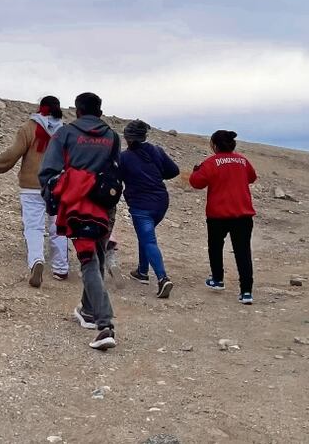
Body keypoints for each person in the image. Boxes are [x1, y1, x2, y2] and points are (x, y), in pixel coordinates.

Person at [39, 92, 121, 351]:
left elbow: (48, 171)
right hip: (105, 206)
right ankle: (87, 310)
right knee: (95, 256)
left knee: (87, 262)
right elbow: (114, 169)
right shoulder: (112, 136)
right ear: (100, 109)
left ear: (77, 110)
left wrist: (52, 195)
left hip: (77, 206)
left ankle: (104, 324)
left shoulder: (65, 134)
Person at [0, 95, 69, 287]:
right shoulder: (65, 131)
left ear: (40, 107)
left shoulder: (28, 128)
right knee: (58, 227)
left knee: (34, 227)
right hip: (58, 186)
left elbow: (13, 154)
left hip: (31, 186)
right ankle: (61, 268)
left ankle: (37, 260)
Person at [189, 130, 257, 305]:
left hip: (218, 214)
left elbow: (197, 183)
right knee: (243, 252)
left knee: (215, 247)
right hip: (243, 214)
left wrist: (196, 171)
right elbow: (252, 177)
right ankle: (246, 292)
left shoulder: (211, 162)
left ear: (215, 145)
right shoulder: (242, 160)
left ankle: (218, 279)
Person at [118, 119, 180, 298]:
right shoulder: (156, 151)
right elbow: (174, 171)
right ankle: (142, 271)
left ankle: (162, 279)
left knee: (149, 240)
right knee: (145, 236)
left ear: (127, 137)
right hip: (161, 202)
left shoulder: (124, 157)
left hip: (141, 204)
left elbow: (117, 177)